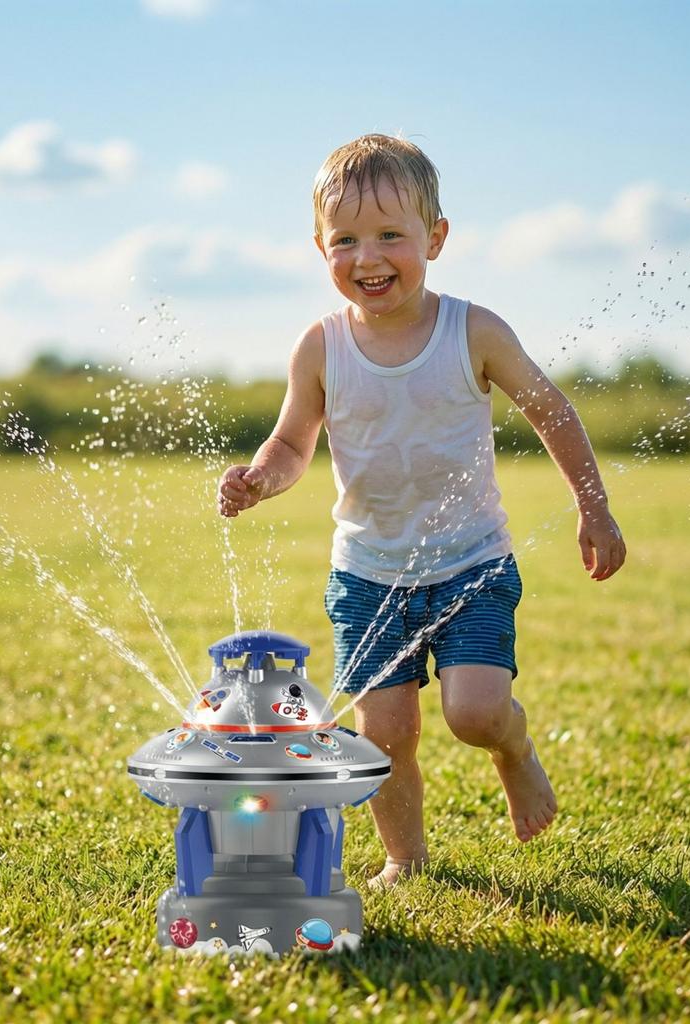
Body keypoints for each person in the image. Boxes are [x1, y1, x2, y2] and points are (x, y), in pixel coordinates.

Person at [217, 134, 626, 889]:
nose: (367, 257)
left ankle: (514, 749)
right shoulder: (320, 347)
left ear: (435, 238)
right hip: (368, 575)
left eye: (389, 235)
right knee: (384, 732)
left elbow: (551, 410)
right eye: (345, 240)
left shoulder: (473, 331)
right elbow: (293, 443)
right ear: (319, 247)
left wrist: (592, 508)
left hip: (471, 564)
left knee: (475, 714)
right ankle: (405, 859)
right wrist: (261, 479)